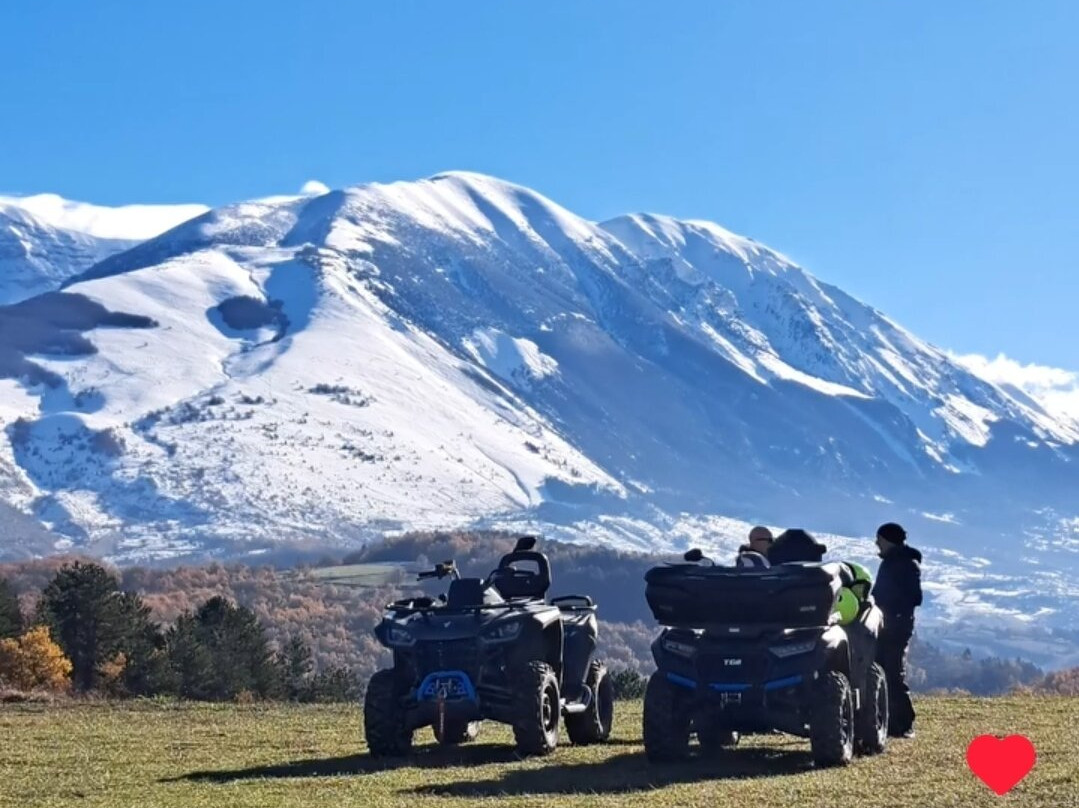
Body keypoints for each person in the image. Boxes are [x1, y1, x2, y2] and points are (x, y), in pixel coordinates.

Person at [871, 521, 922, 739]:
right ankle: (891, 720)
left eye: (879, 539)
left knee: (892, 671)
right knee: (887, 669)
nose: (877, 543)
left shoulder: (900, 564)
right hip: (894, 623)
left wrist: (889, 607)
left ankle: (903, 721)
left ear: (887, 540)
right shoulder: (899, 562)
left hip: (895, 624)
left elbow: (914, 597)